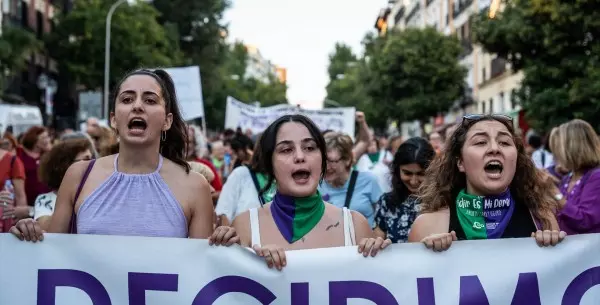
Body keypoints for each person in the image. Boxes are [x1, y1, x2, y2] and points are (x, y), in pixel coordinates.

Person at [10, 69, 236, 246]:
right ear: (113, 119)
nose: (137, 106)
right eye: (127, 99)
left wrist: (224, 244)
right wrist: (28, 234)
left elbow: (200, 272)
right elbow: (52, 254)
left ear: (167, 120)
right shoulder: (78, 176)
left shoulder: (195, 186)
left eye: (150, 100)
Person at [233, 115, 391, 270]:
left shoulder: (355, 226)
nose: (300, 156)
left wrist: (384, 258)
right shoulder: (244, 227)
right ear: (269, 163)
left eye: (309, 148)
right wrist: (252, 266)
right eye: (286, 149)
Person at [409, 114, 565, 251]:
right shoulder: (428, 226)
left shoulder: (542, 219)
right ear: (460, 162)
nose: (494, 148)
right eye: (480, 142)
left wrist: (551, 250)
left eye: (504, 142)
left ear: (517, 160)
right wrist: (429, 258)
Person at [374, 138, 435, 243]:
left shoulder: (442, 202)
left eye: (421, 174)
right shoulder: (386, 202)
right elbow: (377, 238)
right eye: (407, 173)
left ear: (432, 171)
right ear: (397, 170)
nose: (413, 181)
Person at [318, 132, 383, 228]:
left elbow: (383, 218)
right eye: (323, 161)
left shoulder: (368, 180)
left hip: (364, 241)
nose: (326, 167)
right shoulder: (316, 185)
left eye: (331, 161)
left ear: (347, 159)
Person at [550, 119, 600, 234]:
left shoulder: (596, 177)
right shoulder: (568, 177)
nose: (556, 155)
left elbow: (584, 221)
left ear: (573, 148)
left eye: (558, 148)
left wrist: (552, 191)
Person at [34, 139, 95, 230]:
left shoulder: (97, 192)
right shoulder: (45, 200)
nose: (93, 165)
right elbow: (45, 227)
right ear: (64, 165)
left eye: (92, 159)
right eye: (86, 160)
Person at [17, 126, 52, 206]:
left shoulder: (48, 155)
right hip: (26, 200)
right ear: (34, 139)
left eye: (48, 137)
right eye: (44, 137)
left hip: (46, 201)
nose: (48, 140)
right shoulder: (19, 153)